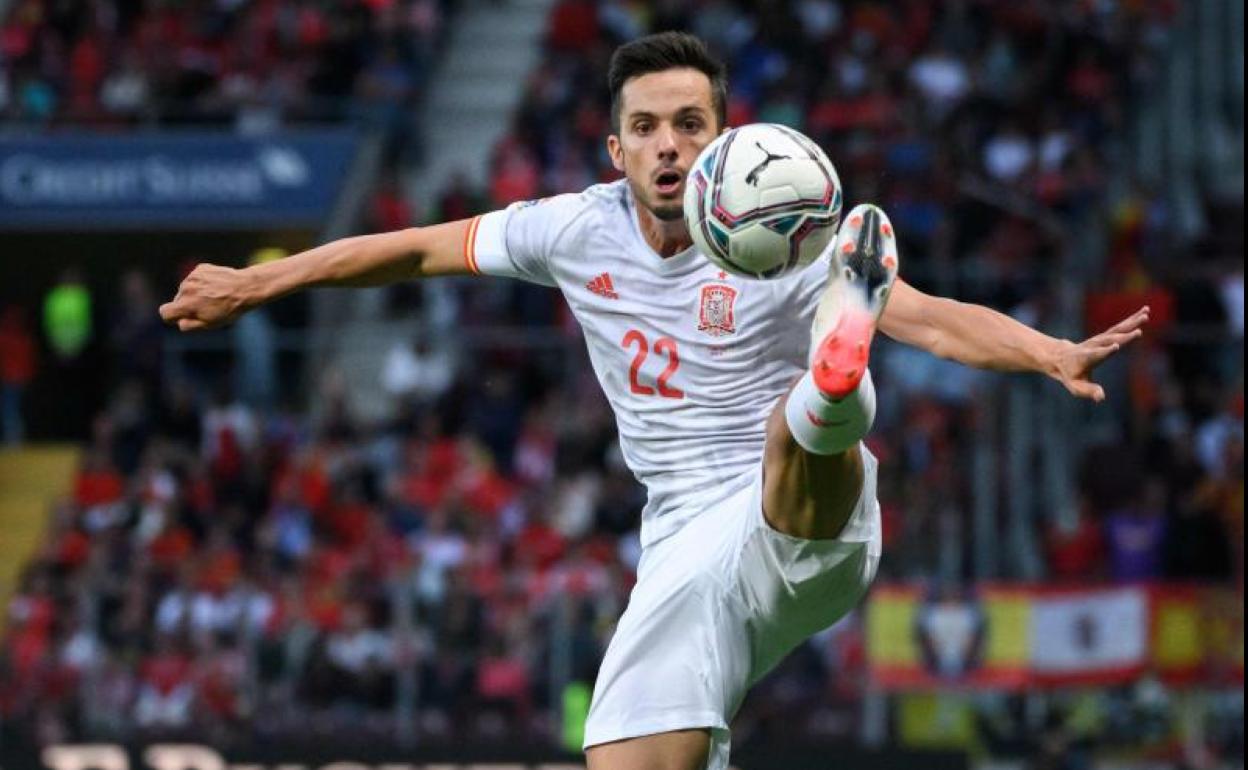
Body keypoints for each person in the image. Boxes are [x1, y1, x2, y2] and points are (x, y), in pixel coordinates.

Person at [161, 31, 1148, 770]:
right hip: (680, 544)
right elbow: (417, 249)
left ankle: (833, 389)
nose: (668, 145)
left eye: (689, 124)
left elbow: (929, 319)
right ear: (615, 149)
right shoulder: (572, 230)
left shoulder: (791, 241)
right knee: (623, 752)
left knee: (795, 427)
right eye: (646, 128)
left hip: (807, 514)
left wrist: (1047, 350)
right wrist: (258, 282)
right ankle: (828, 393)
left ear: (724, 138)